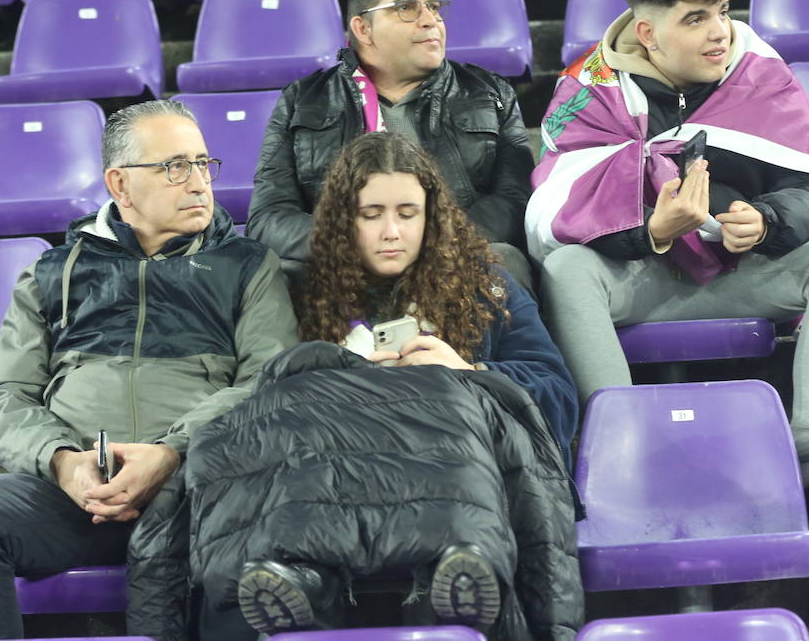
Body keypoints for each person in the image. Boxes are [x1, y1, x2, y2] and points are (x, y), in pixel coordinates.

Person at [127, 133, 582, 641]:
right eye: (372, 214)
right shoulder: (300, 293)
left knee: (450, 397)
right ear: (345, 220)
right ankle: (304, 581)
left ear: (432, 216)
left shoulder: (487, 285)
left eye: (408, 213)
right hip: (332, 488)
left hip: (448, 481)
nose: (392, 232)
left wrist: (469, 373)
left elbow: (557, 399)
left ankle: (444, 582)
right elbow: (264, 405)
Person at [526, 0, 809, 536]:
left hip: (742, 271)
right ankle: (621, 451)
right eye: (695, 19)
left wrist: (768, 220)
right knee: (566, 272)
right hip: (643, 277)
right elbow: (553, 213)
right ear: (648, 32)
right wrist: (650, 232)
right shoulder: (586, 90)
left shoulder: (758, 68)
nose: (719, 33)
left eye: (721, 11)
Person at [0, 100, 300, 641]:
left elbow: (268, 381)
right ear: (120, 185)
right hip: (82, 497)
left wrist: (172, 452)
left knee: (261, 519)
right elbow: (2, 396)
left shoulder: (247, 265)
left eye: (203, 163)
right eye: (175, 166)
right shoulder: (54, 272)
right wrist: (61, 463)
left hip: (200, 493)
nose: (198, 182)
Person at [246, 0, 537, 289]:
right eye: (407, 8)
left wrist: (426, 239)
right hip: (346, 272)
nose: (431, 21)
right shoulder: (303, 100)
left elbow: (516, 201)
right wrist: (358, 242)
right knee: (276, 275)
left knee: (505, 260)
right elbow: (268, 218)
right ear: (363, 28)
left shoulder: (489, 93)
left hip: (455, 260)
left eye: (434, 6)